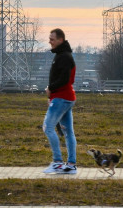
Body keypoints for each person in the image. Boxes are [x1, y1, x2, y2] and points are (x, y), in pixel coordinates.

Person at [41, 28, 77, 174]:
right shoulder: (64, 55)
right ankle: (71, 165)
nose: (50, 41)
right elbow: (70, 80)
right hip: (65, 97)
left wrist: (51, 89)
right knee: (68, 132)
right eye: (50, 38)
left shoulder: (63, 57)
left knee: (47, 127)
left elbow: (64, 79)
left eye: (52, 39)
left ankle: (57, 162)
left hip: (61, 97)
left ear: (60, 40)